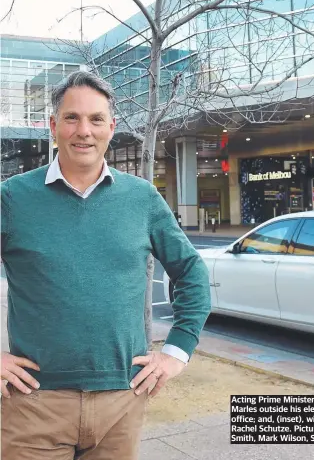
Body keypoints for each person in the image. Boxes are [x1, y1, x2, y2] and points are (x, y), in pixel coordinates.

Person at [1, 71, 211, 460]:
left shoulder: (142, 198)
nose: (84, 130)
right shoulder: (13, 197)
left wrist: (177, 351)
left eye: (96, 119)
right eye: (71, 118)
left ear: (111, 127)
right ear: (53, 125)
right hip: (34, 404)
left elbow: (192, 272)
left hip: (123, 403)